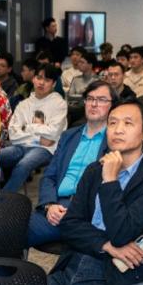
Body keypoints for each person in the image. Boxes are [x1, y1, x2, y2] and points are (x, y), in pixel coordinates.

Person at [48, 100, 143, 285]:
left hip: (114, 273)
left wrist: (110, 181)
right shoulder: (94, 170)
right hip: (76, 259)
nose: (118, 129)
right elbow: (70, 225)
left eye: (128, 123)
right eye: (112, 123)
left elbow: (122, 233)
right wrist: (107, 245)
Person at [27, 80, 116, 247]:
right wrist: (49, 204)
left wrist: (75, 211)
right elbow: (49, 176)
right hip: (56, 205)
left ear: (112, 106)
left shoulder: (115, 140)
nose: (94, 104)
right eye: (90, 98)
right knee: (8, 229)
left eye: (102, 99)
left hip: (86, 212)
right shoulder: (69, 136)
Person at [0, 64, 67, 193]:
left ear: (53, 84)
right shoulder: (23, 104)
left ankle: (1, 201)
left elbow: (52, 133)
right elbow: (13, 134)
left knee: (23, 165)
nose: (41, 83)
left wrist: (26, 127)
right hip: (20, 146)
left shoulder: (59, 104)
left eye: (47, 80)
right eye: (39, 78)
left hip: (46, 149)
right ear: (33, 79)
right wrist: (38, 136)